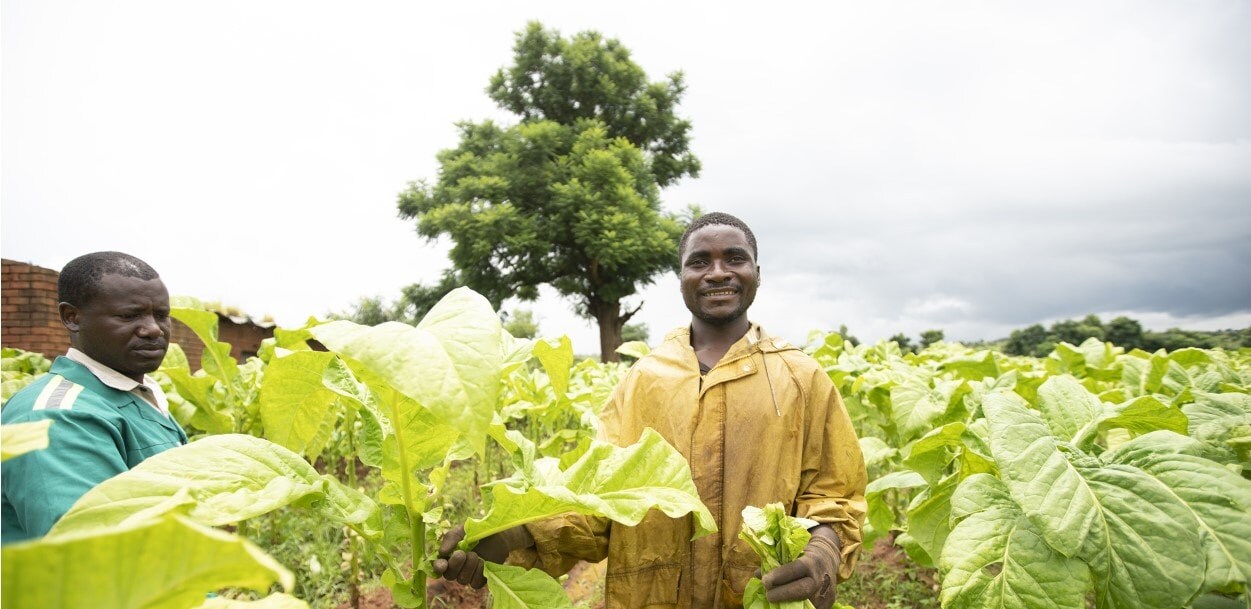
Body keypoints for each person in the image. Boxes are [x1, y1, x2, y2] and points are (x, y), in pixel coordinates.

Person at [436, 212, 867, 608]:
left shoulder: (800, 377)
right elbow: (600, 499)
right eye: (700, 262)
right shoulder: (642, 381)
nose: (717, 272)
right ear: (681, 279)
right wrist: (513, 534)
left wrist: (824, 550)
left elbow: (834, 493)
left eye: (734, 258)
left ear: (757, 274)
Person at [1, 251, 188, 543]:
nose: (153, 329)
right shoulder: (57, 417)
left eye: (162, 315)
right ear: (72, 317)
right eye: (129, 315)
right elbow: (89, 556)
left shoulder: (136, 394)